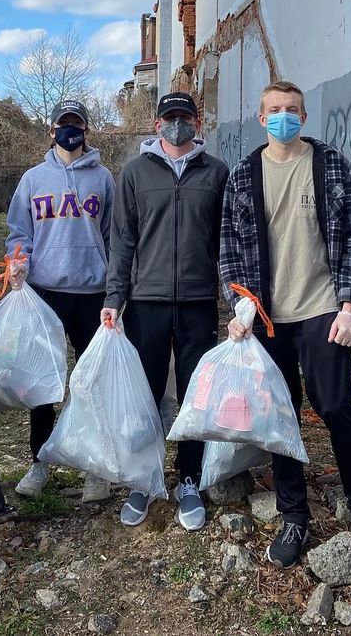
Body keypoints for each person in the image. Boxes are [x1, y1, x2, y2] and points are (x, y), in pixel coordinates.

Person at [220, 81, 351, 569]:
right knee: (281, 415)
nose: (284, 117)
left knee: (337, 407)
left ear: (304, 116)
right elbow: (230, 245)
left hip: (322, 309)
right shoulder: (244, 174)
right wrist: (240, 304)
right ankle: (294, 514)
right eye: (274, 110)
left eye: (292, 110)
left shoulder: (330, 163)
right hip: (268, 317)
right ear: (261, 118)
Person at [102, 91, 229, 532]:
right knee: (147, 393)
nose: (177, 125)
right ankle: (145, 477)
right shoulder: (135, 173)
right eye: (169, 117)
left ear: (198, 123)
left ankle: (189, 478)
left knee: (195, 393)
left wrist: (233, 300)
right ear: (157, 125)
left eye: (185, 117)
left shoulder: (216, 172)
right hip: (147, 302)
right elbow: (122, 241)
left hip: (197, 301)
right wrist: (114, 298)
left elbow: (223, 243)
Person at [5, 99, 115, 503]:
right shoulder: (33, 180)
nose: (71, 130)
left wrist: (114, 287)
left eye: (78, 124)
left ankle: (95, 466)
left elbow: (113, 236)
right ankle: (40, 460)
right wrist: (18, 263)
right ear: (51, 131)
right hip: (45, 292)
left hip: (92, 293)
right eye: (64, 124)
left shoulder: (103, 179)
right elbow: (19, 232)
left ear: (87, 130)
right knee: (45, 382)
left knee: (90, 381)